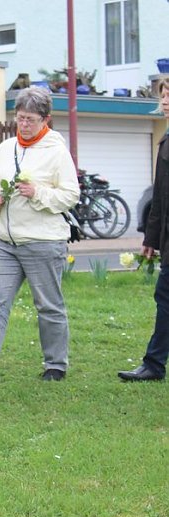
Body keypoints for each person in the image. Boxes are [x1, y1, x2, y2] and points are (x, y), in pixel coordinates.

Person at [0, 87, 80, 382]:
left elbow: (71, 194)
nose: (23, 124)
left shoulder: (57, 151)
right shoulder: (6, 148)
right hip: (6, 242)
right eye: (20, 118)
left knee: (48, 305)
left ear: (45, 119)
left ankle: (56, 365)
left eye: (30, 119)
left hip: (44, 242)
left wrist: (38, 193)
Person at [118, 78, 169, 382]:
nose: (165, 101)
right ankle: (154, 363)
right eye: (164, 96)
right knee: (165, 298)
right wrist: (151, 239)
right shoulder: (165, 138)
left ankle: (154, 363)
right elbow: (160, 196)